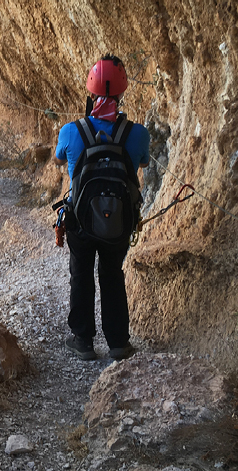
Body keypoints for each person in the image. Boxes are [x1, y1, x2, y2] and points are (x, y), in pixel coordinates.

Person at [54, 54, 150, 361]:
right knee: (111, 273)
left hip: (80, 220)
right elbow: (143, 161)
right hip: (119, 221)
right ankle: (118, 343)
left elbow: (59, 158)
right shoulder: (138, 134)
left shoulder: (71, 131)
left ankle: (83, 341)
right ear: (122, 92)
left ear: (90, 90)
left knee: (81, 273)